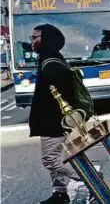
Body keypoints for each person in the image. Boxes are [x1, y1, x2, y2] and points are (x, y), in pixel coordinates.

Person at [29, 24, 81, 204]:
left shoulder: (51, 63)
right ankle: (60, 193)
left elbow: (61, 96)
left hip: (53, 122)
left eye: (35, 37)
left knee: (50, 160)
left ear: (46, 39)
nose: (32, 41)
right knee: (57, 157)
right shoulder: (50, 59)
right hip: (52, 121)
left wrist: (55, 120)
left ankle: (92, 178)